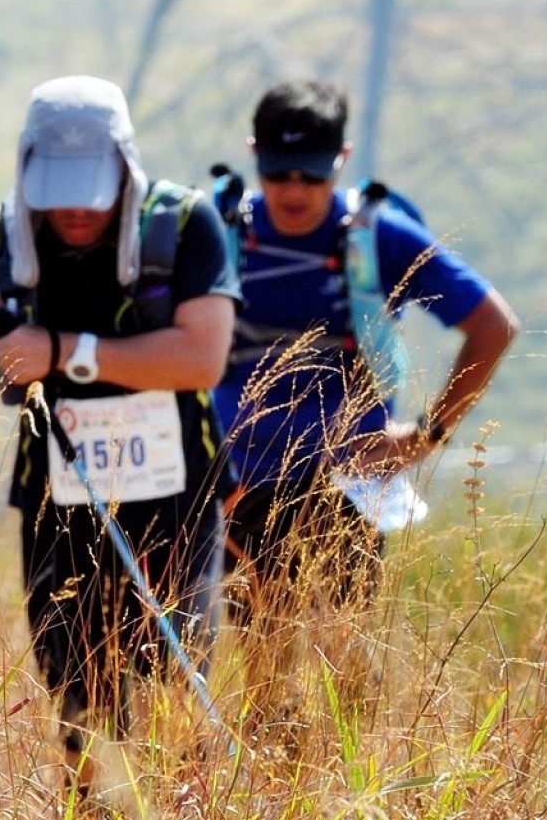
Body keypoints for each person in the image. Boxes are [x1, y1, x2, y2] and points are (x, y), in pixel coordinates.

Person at [0, 76, 237, 792]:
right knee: (77, 690)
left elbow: (202, 357)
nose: (77, 210)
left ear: (125, 169)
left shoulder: (185, 227)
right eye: (58, 194)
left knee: (177, 672)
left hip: (176, 495)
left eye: (92, 192)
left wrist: (61, 352)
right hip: (54, 502)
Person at [212, 79, 518, 663]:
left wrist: (427, 435)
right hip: (240, 484)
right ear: (254, 155)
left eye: (311, 175)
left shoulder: (380, 238)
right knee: (265, 670)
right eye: (278, 173)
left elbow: (493, 325)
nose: (294, 190)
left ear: (342, 159)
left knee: (347, 665)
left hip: (348, 488)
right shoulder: (221, 233)